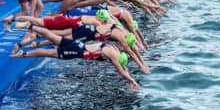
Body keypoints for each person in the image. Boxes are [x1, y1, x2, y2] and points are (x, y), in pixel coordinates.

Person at [9, 24, 141, 89]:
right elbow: (120, 69)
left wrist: (129, 75)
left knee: (52, 36)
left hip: (78, 43)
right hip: (76, 50)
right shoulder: (113, 56)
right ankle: (23, 54)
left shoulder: (114, 49)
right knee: (48, 53)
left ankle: (30, 26)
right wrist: (131, 81)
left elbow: (123, 68)